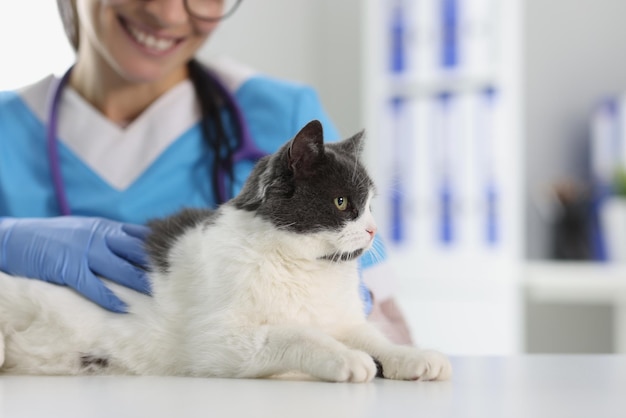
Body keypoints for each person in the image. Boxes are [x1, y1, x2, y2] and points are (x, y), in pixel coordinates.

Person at [0, 0, 412, 344]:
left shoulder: (285, 118)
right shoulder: (8, 126)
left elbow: (388, 334)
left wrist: (353, 312)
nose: (168, 13)